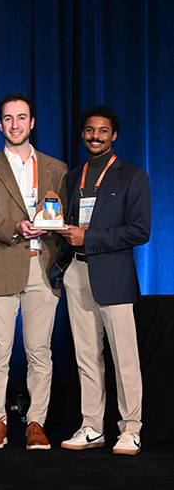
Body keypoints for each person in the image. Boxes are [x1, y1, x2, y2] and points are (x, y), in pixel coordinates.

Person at [0, 94, 67, 450]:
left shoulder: (56, 167)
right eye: (8, 119)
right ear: (0, 124)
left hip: (43, 266)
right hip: (1, 264)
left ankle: (36, 422)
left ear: (32, 123)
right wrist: (16, 226)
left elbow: (64, 216)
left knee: (40, 351)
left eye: (21, 117)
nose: (15, 125)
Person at [56, 105, 150, 456]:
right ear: (83, 134)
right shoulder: (73, 176)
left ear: (114, 135)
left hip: (113, 275)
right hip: (77, 272)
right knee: (86, 356)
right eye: (90, 130)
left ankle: (130, 429)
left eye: (103, 131)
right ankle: (92, 426)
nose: (95, 136)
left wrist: (89, 238)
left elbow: (140, 231)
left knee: (124, 357)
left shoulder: (132, 175)